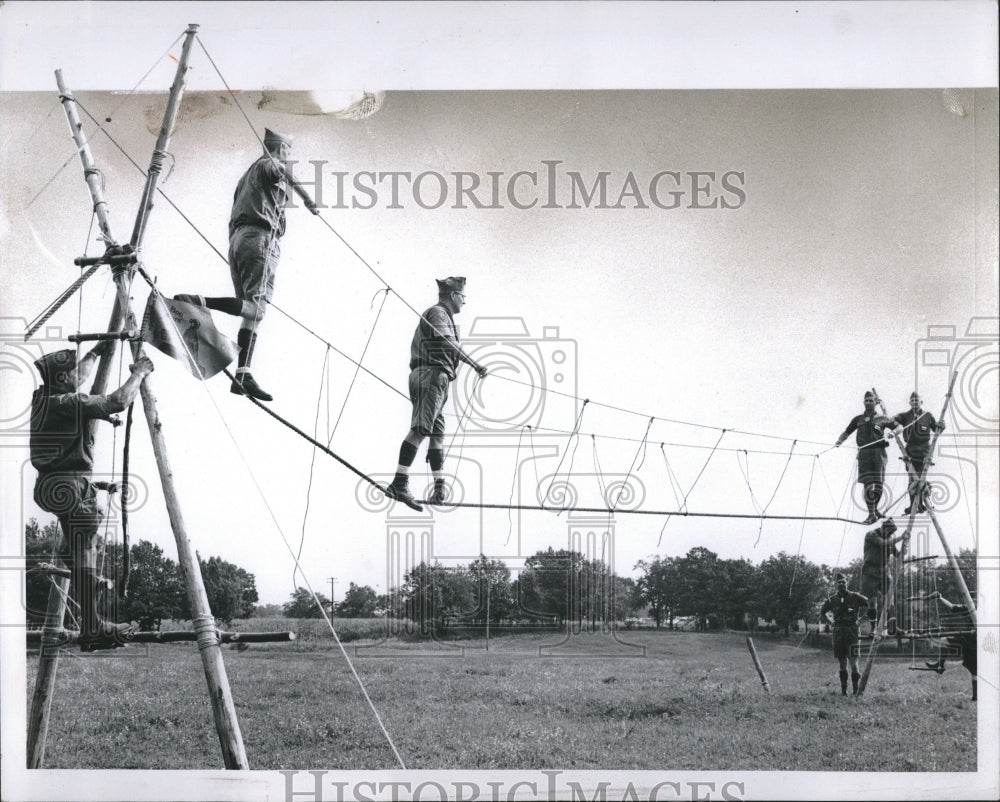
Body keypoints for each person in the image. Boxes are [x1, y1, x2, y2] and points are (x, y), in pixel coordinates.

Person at [175, 128, 319, 402]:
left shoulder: (246, 177)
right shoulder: (270, 164)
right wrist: (308, 199)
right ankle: (198, 300)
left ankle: (243, 373)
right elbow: (283, 172)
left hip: (240, 242)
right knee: (257, 309)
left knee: (251, 312)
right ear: (281, 149)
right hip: (261, 239)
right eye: (289, 151)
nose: (290, 156)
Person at [30, 344, 155, 650]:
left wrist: (98, 351)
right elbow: (119, 400)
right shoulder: (67, 402)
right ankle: (92, 627)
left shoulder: (44, 399)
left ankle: (91, 611)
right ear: (62, 377)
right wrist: (139, 372)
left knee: (81, 551)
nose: (81, 377)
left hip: (52, 486)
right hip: (70, 488)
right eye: (75, 372)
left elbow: (77, 376)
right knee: (87, 547)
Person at [384, 277, 487, 510]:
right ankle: (399, 483)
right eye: (463, 297)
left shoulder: (446, 317)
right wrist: (475, 364)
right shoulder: (438, 313)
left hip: (438, 379)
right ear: (453, 296)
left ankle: (439, 487)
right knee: (421, 428)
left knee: (436, 433)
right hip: (431, 375)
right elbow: (448, 343)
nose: (464, 302)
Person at [835, 391, 901, 524]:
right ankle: (871, 514)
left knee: (879, 484)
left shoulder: (882, 418)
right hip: (864, 454)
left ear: (876, 403)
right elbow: (847, 432)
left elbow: (900, 427)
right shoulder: (857, 419)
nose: (869, 403)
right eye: (867, 401)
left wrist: (893, 433)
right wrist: (839, 442)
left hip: (879, 453)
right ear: (863, 402)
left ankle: (875, 510)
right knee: (867, 483)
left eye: (871, 401)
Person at [892, 392, 945, 514]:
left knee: (921, 478)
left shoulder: (927, 416)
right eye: (913, 401)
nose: (915, 403)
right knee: (912, 479)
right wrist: (894, 425)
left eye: (917, 400)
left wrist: (942, 427)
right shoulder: (905, 416)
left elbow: (936, 430)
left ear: (921, 402)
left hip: (924, 451)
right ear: (910, 403)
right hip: (910, 451)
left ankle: (920, 504)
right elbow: (891, 420)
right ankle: (913, 505)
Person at [820, 573, 869, 696]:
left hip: (852, 631)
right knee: (842, 662)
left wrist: (862, 620)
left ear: (847, 583)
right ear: (836, 585)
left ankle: (856, 691)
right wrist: (830, 622)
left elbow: (870, 604)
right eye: (839, 582)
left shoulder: (855, 597)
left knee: (853, 662)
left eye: (843, 582)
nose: (841, 584)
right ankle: (844, 691)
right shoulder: (832, 599)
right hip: (838, 632)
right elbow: (822, 612)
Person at [925, 591, 977, 701]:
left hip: (976, 641)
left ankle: (976, 697)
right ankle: (940, 665)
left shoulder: (986, 611)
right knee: (944, 640)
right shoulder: (969, 608)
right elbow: (952, 607)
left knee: (975, 669)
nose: (969, 601)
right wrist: (940, 598)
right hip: (968, 639)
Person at [859, 517, 906, 633]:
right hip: (869, 571)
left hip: (884, 571)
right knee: (872, 602)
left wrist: (903, 551)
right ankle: (873, 628)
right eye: (889, 532)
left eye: (891, 533)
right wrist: (901, 538)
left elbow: (897, 554)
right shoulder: (871, 535)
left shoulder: (889, 538)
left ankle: (893, 627)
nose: (890, 534)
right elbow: (883, 543)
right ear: (883, 528)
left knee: (890, 599)